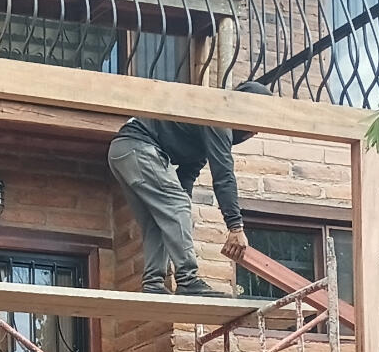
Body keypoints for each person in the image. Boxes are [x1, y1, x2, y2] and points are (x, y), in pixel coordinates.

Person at [107, 79, 270, 296]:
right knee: (176, 207)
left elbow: (188, 173)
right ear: (247, 111)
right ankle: (187, 280)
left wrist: (182, 212)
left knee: (161, 218)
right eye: (258, 123)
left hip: (122, 152)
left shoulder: (205, 121)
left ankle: (153, 284)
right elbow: (224, 176)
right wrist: (235, 227)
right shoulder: (218, 118)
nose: (257, 132)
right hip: (139, 147)